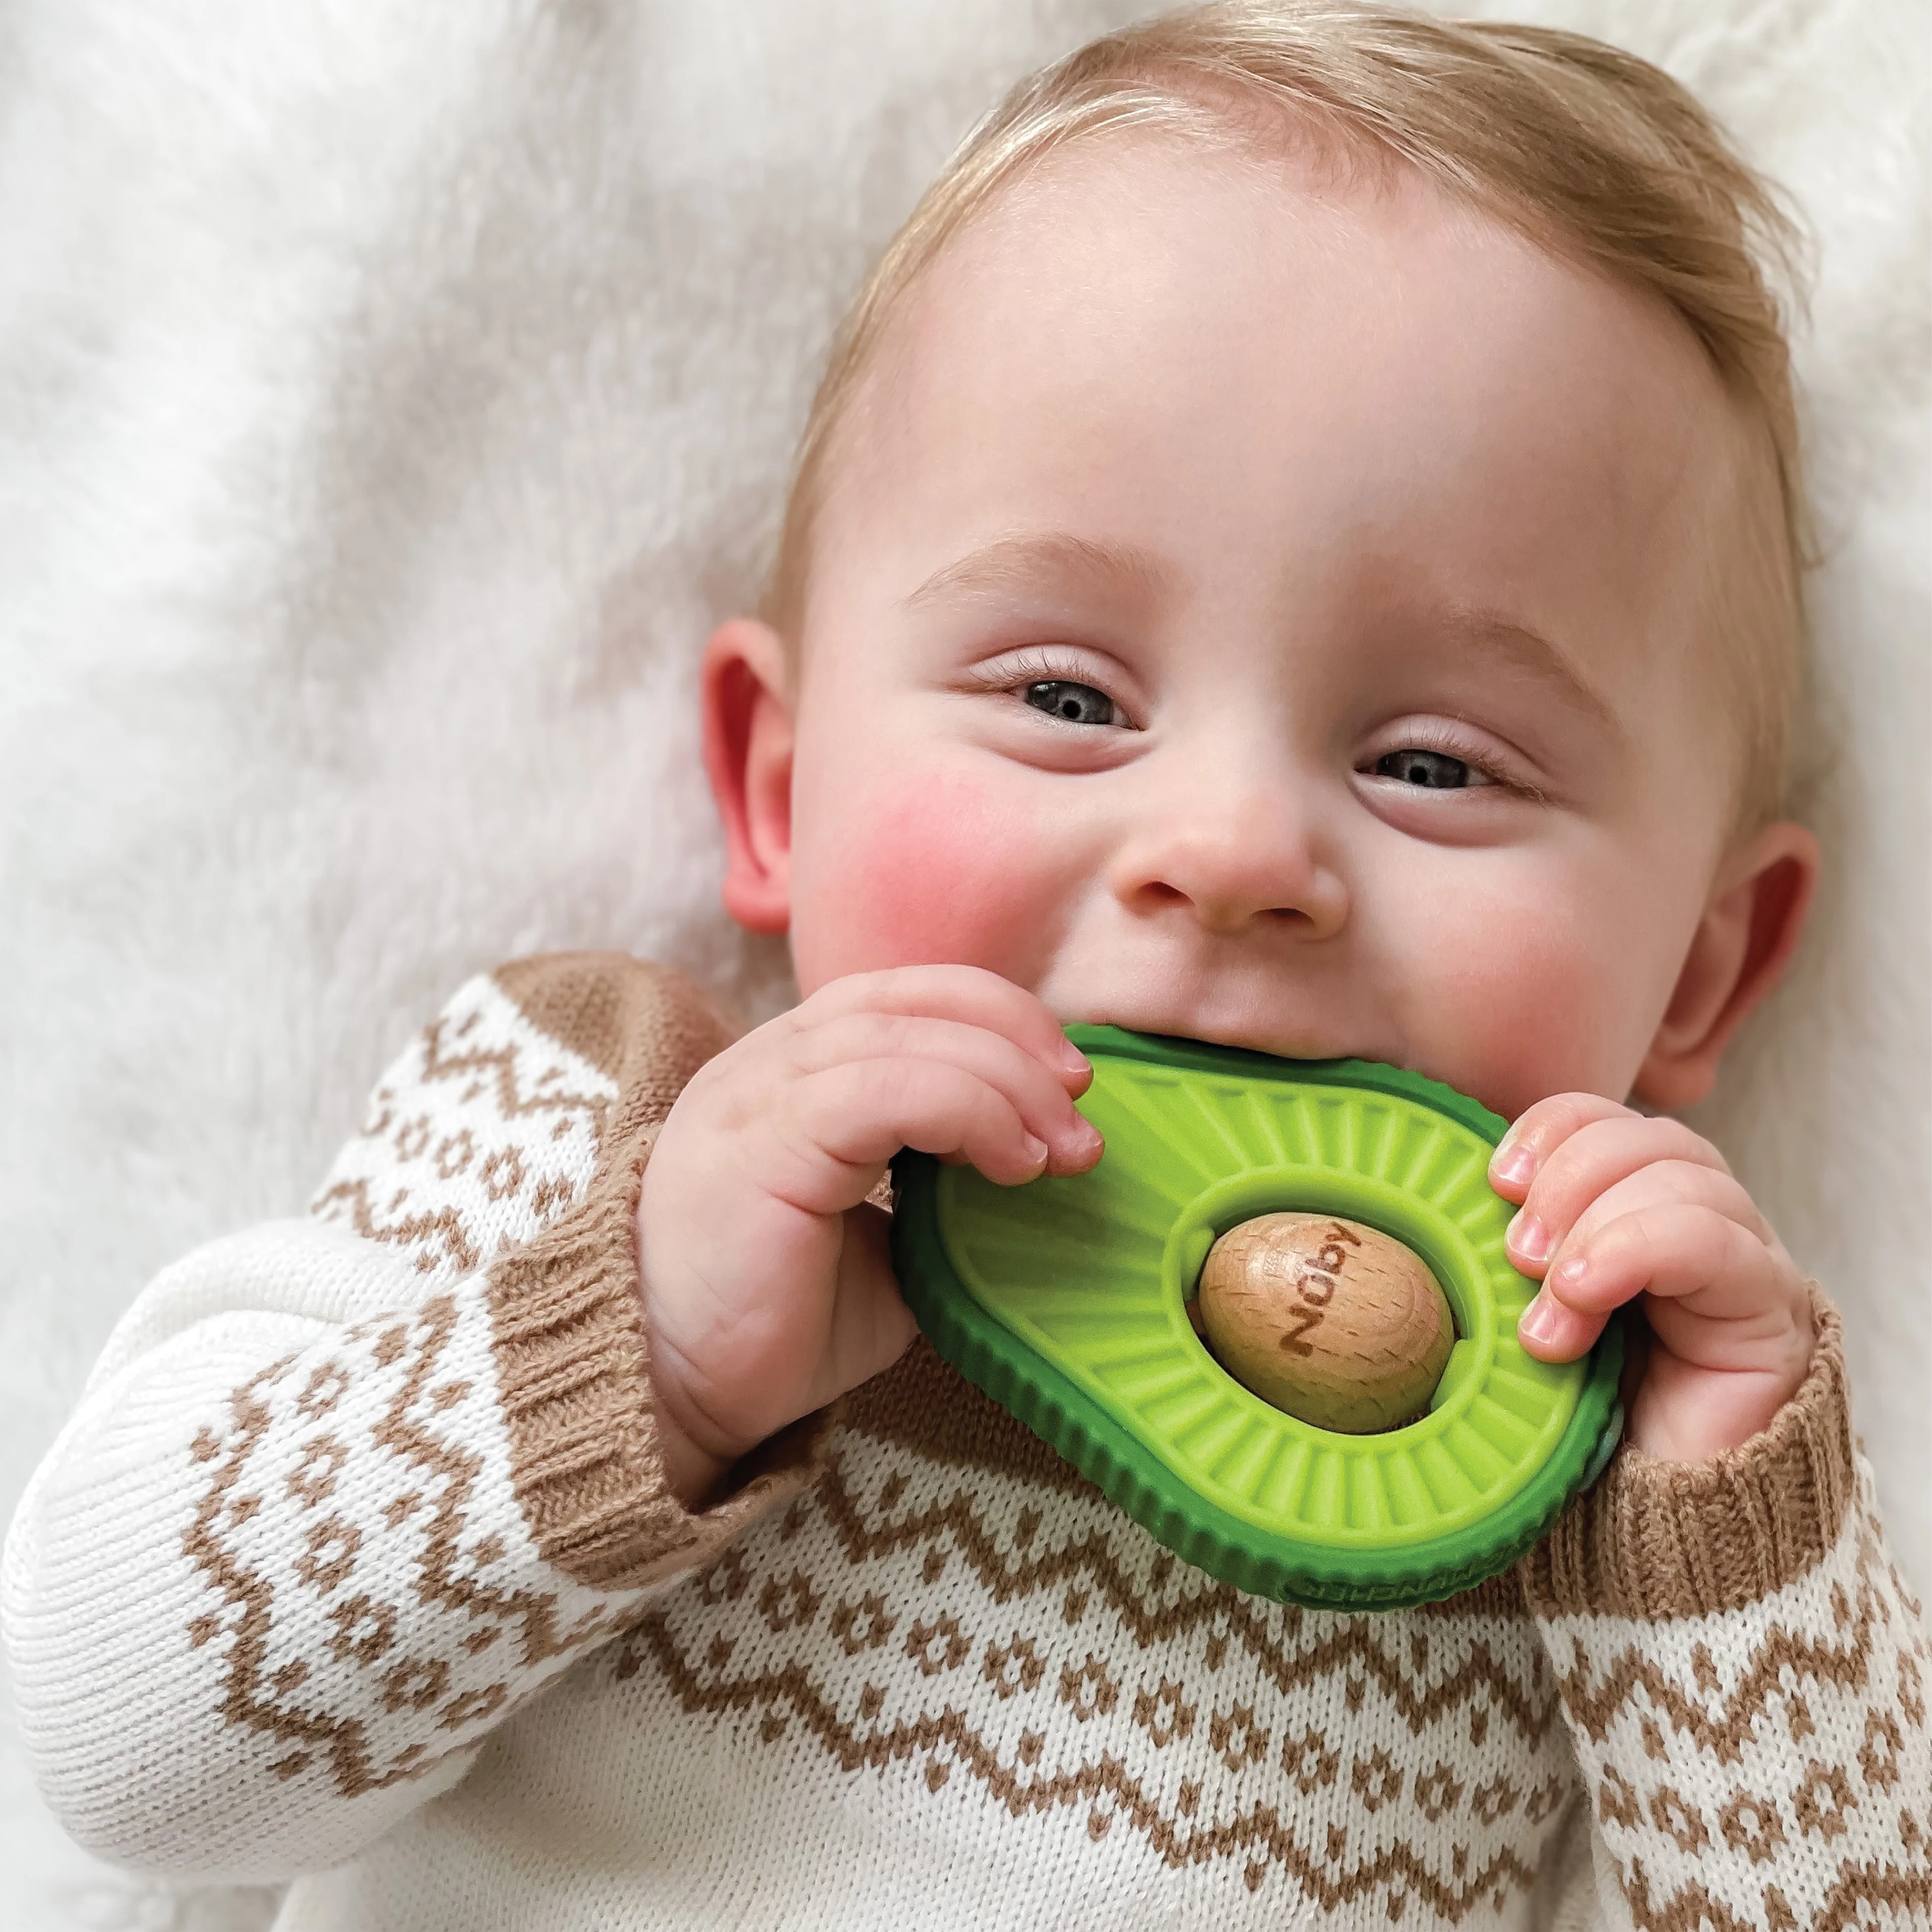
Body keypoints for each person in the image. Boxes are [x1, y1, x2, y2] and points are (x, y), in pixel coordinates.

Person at [7, 5, 1926, 1927]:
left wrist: (1732, 1561)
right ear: (781, 781)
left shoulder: (1590, 1473)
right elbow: (109, 1749)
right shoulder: (595, 1125)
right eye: (1070, 697)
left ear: (1699, 970)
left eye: (1432, 765)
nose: (1236, 854)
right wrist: (644, 1355)